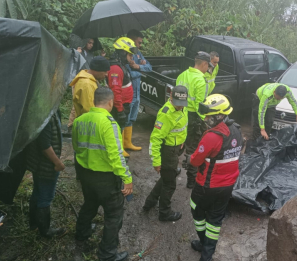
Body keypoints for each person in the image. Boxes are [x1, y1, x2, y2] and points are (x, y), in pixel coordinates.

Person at [72, 87, 132, 261]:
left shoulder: (80, 120)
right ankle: (107, 254)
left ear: (93, 101)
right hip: (105, 178)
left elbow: (76, 148)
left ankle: (82, 233)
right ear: (111, 102)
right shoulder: (108, 122)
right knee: (113, 215)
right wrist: (127, 178)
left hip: (85, 174)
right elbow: (116, 155)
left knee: (89, 204)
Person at [187, 94, 243, 261]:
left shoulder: (212, 136)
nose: (206, 118)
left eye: (209, 116)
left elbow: (196, 160)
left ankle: (204, 243)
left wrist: (188, 158)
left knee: (196, 209)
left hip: (208, 185)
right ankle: (207, 254)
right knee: (215, 219)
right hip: (228, 185)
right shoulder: (237, 130)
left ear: (220, 115)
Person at [142, 86, 188, 221]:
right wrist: (156, 162)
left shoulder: (183, 107)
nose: (180, 106)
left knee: (167, 177)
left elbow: (180, 127)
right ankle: (164, 213)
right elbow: (155, 139)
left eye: (183, 103)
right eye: (178, 103)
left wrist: (182, 142)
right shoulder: (166, 114)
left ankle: (150, 202)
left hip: (175, 149)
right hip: (168, 152)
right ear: (171, 97)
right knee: (170, 184)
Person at [25, 109, 66, 238]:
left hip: (38, 163)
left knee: (37, 192)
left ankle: (34, 224)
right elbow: (44, 145)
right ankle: (46, 230)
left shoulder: (49, 111)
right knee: (46, 196)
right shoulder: (46, 116)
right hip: (45, 165)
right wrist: (57, 163)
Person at [176, 51, 214, 188]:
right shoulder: (201, 80)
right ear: (204, 64)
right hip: (194, 118)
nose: (208, 68)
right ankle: (191, 181)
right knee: (193, 149)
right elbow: (201, 105)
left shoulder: (182, 75)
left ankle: (172, 169)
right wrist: (205, 122)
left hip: (180, 114)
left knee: (178, 143)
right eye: (207, 65)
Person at [108, 37, 137, 157]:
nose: (132, 58)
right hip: (118, 105)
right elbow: (115, 90)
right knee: (117, 127)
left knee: (122, 125)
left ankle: (124, 145)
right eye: (130, 55)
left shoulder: (121, 65)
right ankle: (118, 151)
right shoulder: (115, 68)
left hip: (125, 103)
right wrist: (119, 110)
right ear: (123, 52)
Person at [124, 29, 152, 152]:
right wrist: (139, 71)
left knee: (132, 118)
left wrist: (139, 66)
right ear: (131, 40)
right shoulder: (125, 54)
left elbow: (149, 68)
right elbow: (127, 73)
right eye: (139, 42)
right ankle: (121, 146)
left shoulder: (138, 54)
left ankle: (128, 142)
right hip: (128, 91)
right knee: (125, 118)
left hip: (137, 92)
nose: (140, 45)